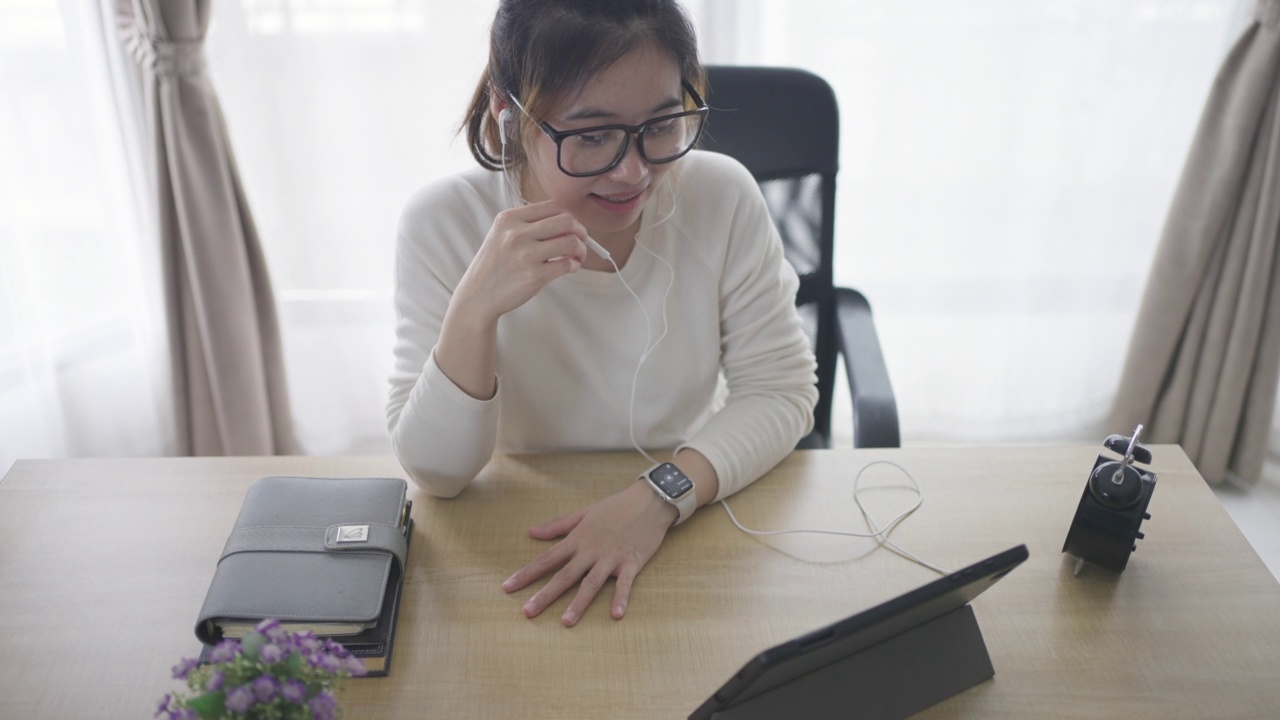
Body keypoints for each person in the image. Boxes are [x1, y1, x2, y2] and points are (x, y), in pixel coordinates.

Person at [387, 0, 817, 627]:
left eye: (664, 124)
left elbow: (780, 392)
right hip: (511, 535)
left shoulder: (719, 196)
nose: (634, 171)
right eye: (591, 136)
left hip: (687, 525)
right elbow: (437, 474)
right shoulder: (443, 223)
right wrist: (474, 309)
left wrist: (659, 497)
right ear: (512, 116)